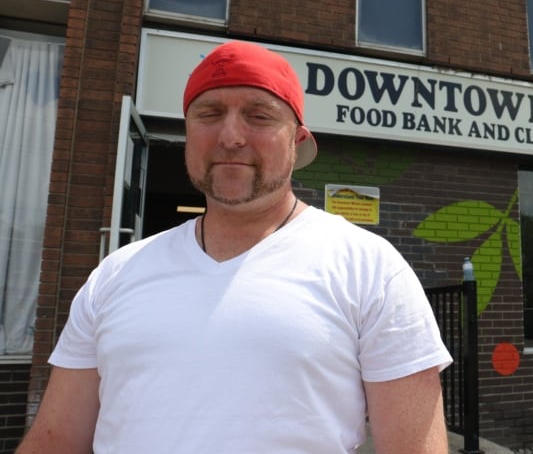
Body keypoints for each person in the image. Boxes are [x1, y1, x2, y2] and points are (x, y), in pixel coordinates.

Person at [17, 41, 453, 453]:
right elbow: (54, 442)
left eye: (259, 116)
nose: (230, 136)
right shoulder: (114, 275)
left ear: (297, 141)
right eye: (209, 113)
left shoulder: (369, 269)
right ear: (187, 133)